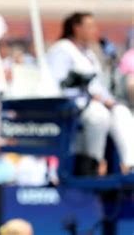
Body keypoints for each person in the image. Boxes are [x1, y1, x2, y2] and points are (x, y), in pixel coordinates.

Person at [46, 12, 134, 176]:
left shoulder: (89, 54)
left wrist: (109, 101)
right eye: (90, 26)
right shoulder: (62, 49)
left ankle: (130, 165)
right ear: (76, 28)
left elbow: (99, 87)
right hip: (72, 108)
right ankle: (93, 164)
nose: (94, 30)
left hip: (95, 104)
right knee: (98, 114)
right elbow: (56, 84)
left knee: (121, 111)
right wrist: (90, 97)